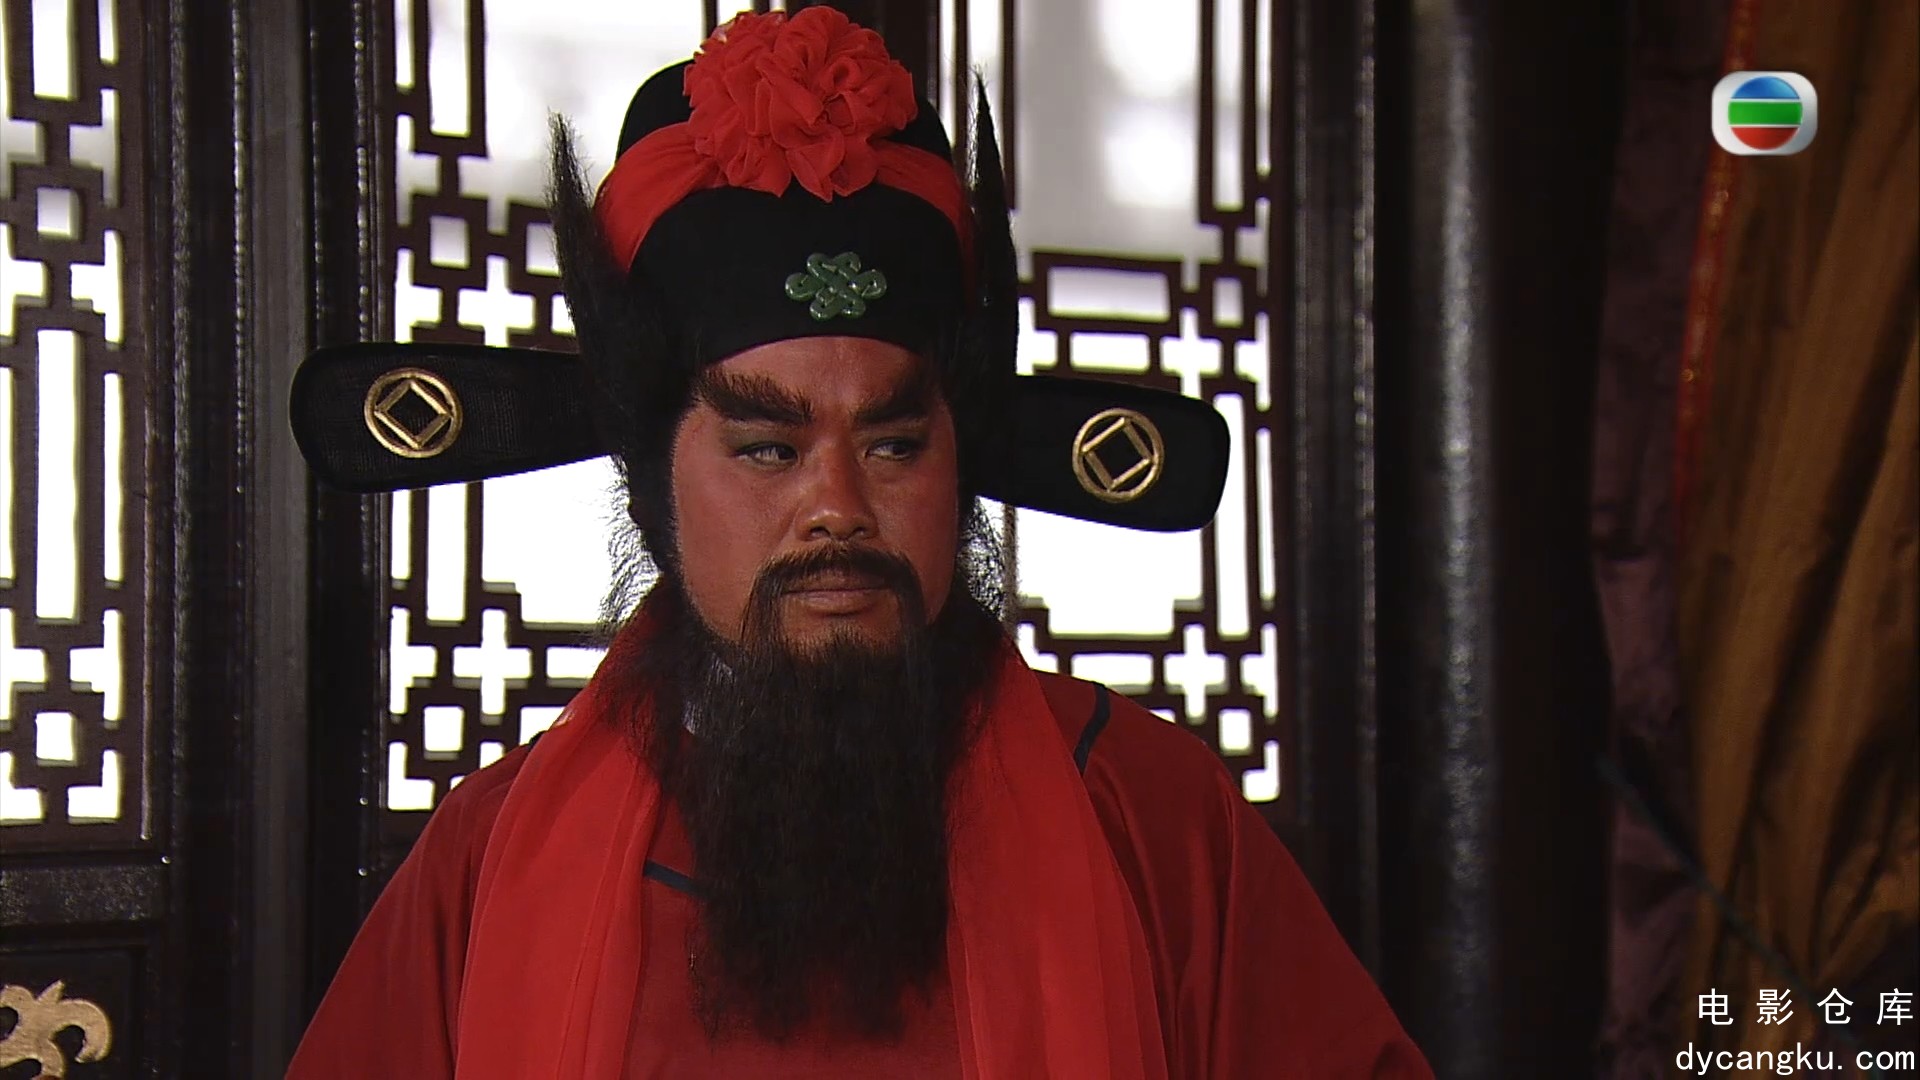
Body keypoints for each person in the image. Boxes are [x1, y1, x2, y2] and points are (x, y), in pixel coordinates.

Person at [284, 9, 1431, 1078]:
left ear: (958, 463)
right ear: (652, 486)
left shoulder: (1149, 815)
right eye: (767, 449)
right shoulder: (494, 858)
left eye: (892, 445)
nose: (838, 506)